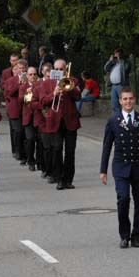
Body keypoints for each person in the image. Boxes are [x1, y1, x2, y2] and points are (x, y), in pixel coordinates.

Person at [99, 88, 139, 248]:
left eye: (130, 98)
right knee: (123, 199)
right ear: (120, 101)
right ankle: (124, 235)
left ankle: (137, 236)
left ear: (134, 100)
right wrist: (103, 170)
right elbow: (106, 147)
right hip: (121, 167)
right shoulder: (113, 121)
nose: (128, 102)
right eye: (125, 99)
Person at [35, 58, 81, 190]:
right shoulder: (46, 83)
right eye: (56, 69)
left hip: (70, 121)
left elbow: (78, 96)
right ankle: (59, 179)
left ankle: (68, 180)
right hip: (54, 121)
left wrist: (68, 87)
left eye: (62, 69)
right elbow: (42, 101)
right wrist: (53, 94)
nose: (59, 71)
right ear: (53, 70)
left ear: (66, 69)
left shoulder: (73, 80)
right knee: (57, 150)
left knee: (70, 152)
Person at [2, 59, 28, 163]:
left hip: (26, 109)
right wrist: (19, 83)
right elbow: (9, 93)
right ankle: (19, 152)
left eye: (24, 68)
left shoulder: (30, 78)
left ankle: (26, 154)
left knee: (26, 133)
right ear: (16, 69)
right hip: (15, 109)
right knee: (18, 131)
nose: (22, 70)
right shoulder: (11, 80)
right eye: (20, 68)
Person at [21, 66, 42, 171]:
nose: (33, 76)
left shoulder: (40, 85)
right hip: (28, 117)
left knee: (40, 140)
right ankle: (30, 161)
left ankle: (39, 161)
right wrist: (27, 94)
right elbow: (21, 100)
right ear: (27, 76)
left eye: (34, 74)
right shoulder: (23, 86)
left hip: (39, 116)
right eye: (30, 74)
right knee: (30, 139)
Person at [104, 48, 132, 115]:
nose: (116, 55)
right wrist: (110, 61)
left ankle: (127, 118)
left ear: (121, 54)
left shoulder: (126, 62)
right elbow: (106, 68)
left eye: (118, 53)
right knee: (114, 105)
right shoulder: (114, 63)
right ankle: (118, 119)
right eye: (115, 54)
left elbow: (126, 69)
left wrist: (120, 60)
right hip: (113, 86)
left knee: (125, 103)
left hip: (122, 85)